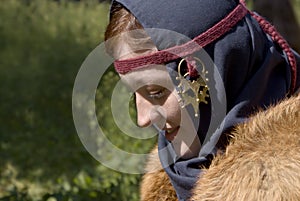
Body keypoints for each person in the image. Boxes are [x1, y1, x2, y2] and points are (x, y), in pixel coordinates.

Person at [104, 0, 300, 200]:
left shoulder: (287, 185)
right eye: (134, 94)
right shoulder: (174, 171)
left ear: (221, 70)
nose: (142, 119)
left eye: (156, 92)